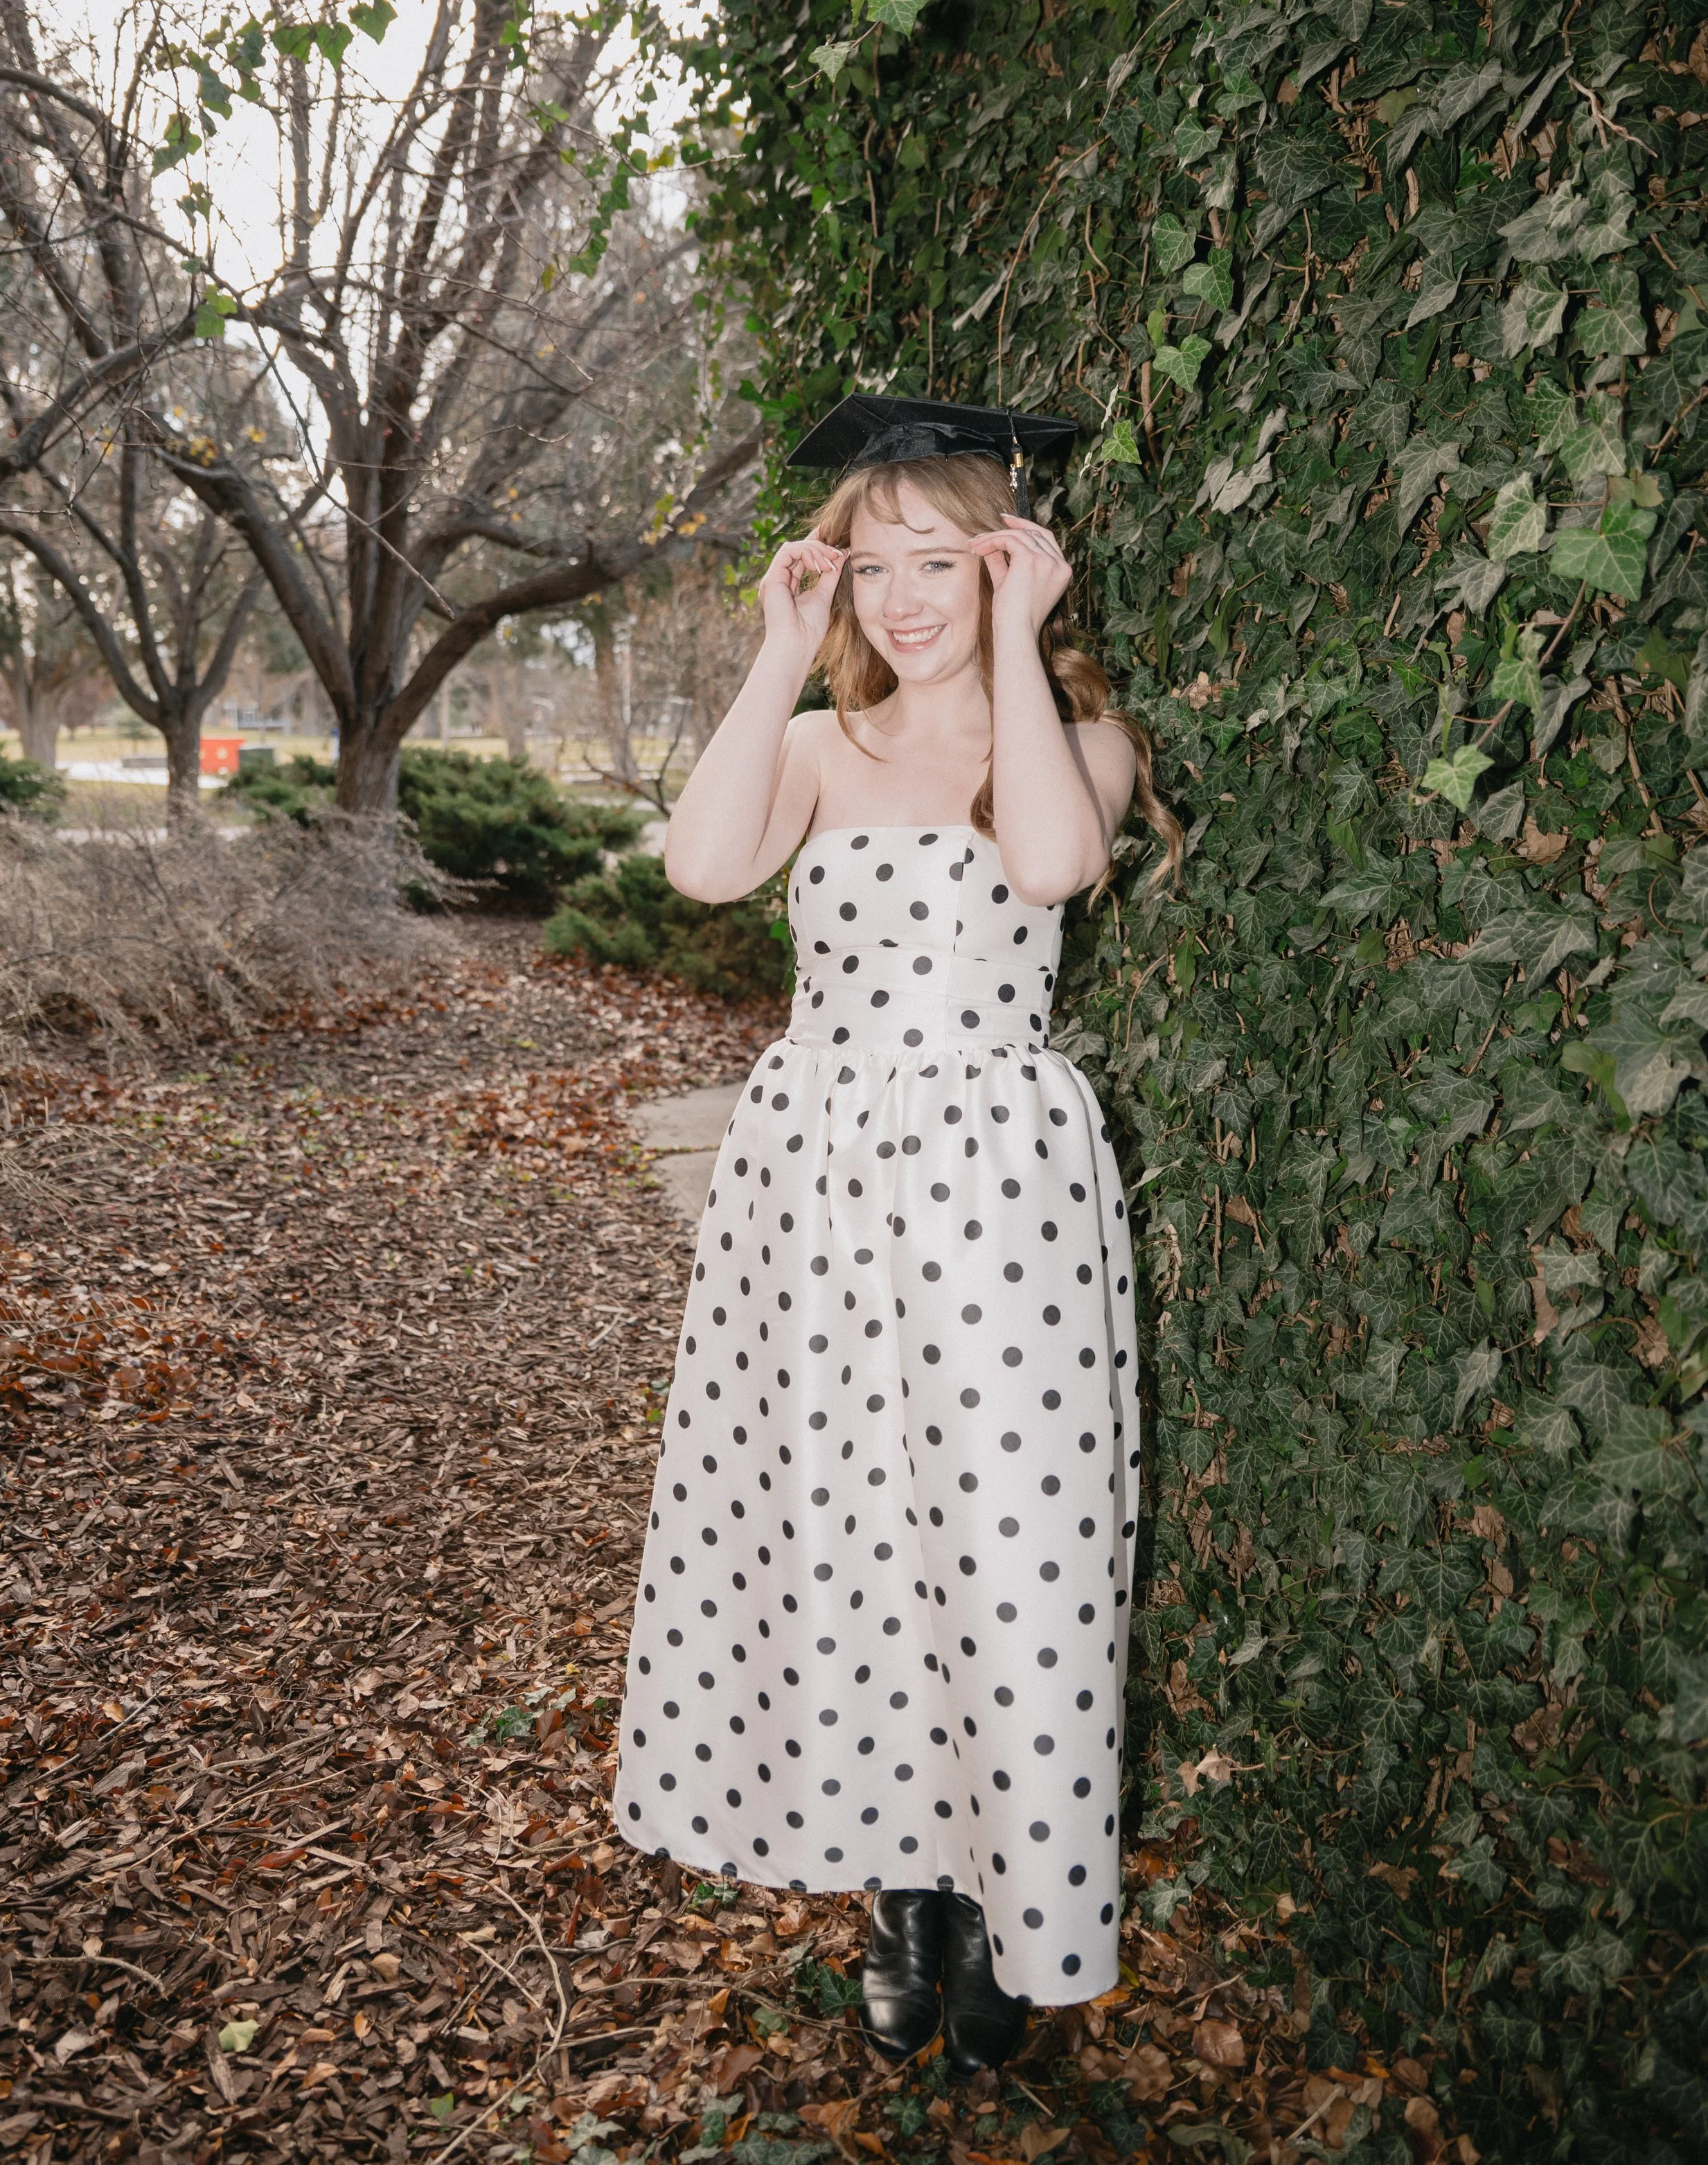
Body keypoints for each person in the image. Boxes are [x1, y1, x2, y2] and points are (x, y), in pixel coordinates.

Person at [611, 395, 1184, 2071]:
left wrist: (1013, 639)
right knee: (847, 1530)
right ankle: (897, 1886)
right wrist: (778, 653)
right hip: (809, 1188)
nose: (901, 596)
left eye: (939, 560)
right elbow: (701, 867)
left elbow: (1051, 862)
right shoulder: (816, 744)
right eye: (872, 566)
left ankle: (1007, 1894)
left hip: (997, 1194)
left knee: (1007, 1541)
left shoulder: (1075, 739)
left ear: (1008, 565)